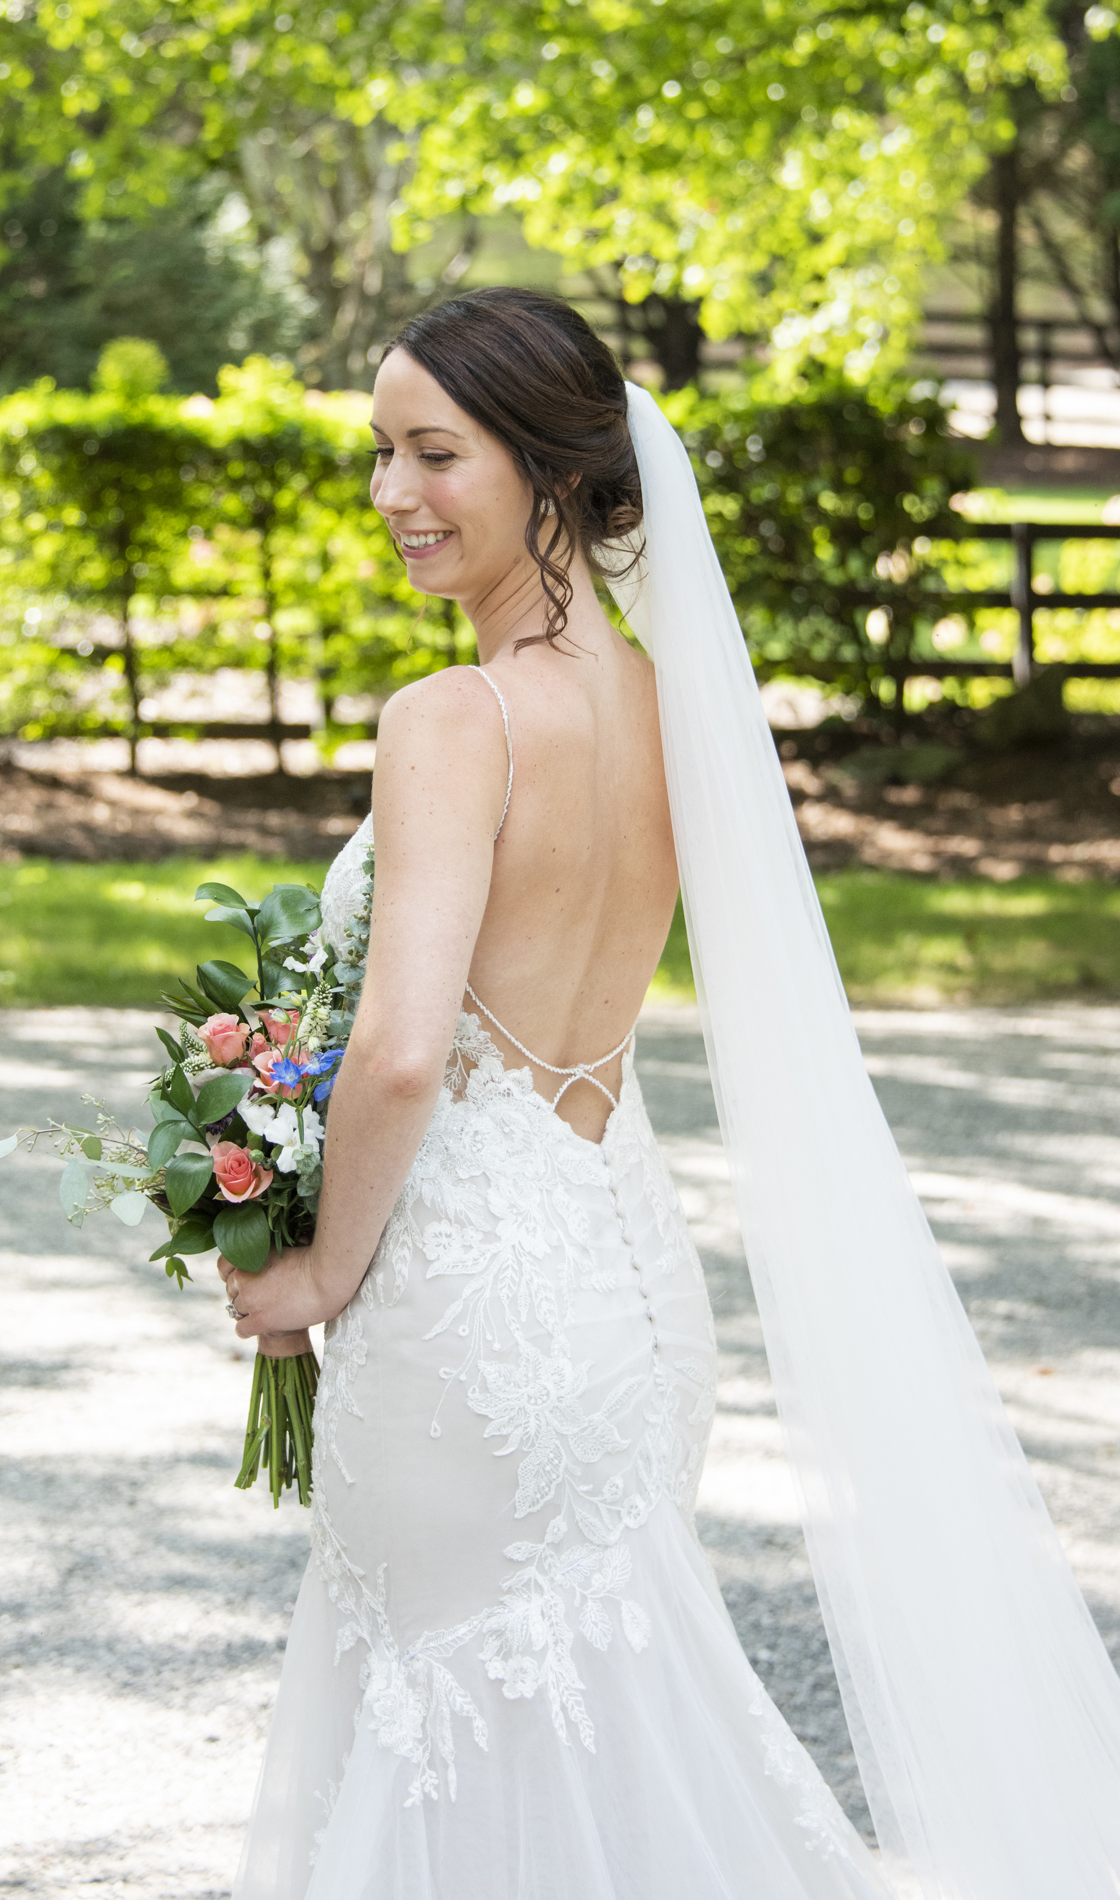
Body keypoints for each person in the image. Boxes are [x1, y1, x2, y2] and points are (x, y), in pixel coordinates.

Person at [221, 289, 1120, 1900]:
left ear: (553, 472)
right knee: (590, 1748)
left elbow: (407, 1051)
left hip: (466, 1325)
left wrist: (311, 1274)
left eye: (436, 453)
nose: (391, 495)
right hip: (628, 1300)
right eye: (380, 453)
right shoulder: (666, 700)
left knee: (454, 1739)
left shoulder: (454, 719)